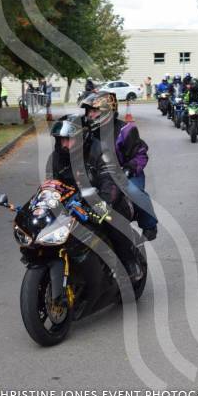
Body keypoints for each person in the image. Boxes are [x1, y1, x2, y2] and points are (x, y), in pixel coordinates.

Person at [46, 115, 142, 282]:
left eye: (68, 140)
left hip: (108, 199)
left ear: (82, 137)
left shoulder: (101, 152)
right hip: (74, 202)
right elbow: (51, 185)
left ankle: (130, 264)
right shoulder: (56, 158)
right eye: (61, 140)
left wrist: (103, 205)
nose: (64, 145)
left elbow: (110, 182)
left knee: (111, 220)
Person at [80, 91, 158, 241]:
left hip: (127, 172)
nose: (90, 115)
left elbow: (140, 154)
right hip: (100, 174)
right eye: (88, 111)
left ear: (108, 111)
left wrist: (129, 169)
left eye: (94, 111)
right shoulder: (87, 132)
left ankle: (149, 224)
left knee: (133, 192)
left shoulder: (126, 130)